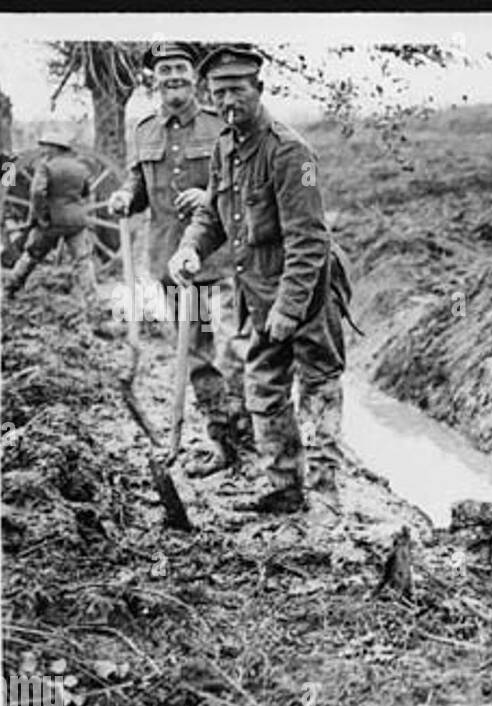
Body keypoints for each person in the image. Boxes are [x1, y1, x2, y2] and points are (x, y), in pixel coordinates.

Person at [170, 44, 348, 514]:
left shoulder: (292, 152)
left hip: (306, 294)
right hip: (258, 293)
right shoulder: (225, 147)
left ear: (259, 89)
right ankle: (282, 487)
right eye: (218, 93)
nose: (228, 102)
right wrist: (191, 247)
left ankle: (326, 496)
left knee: (316, 389)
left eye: (237, 90)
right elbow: (213, 213)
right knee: (264, 387)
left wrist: (290, 310)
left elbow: (309, 239)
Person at [108, 41, 250, 478]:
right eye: (164, 68)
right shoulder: (145, 129)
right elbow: (139, 181)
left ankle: (251, 430)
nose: (172, 75)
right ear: (154, 78)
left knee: (234, 346)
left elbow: (246, 182)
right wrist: (124, 197)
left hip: (223, 260)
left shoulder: (220, 125)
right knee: (196, 352)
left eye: (180, 68)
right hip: (171, 261)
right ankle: (223, 439)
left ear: (194, 78)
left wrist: (211, 196)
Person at [4, 129, 100, 315]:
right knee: (83, 261)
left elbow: (36, 193)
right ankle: (93, 303)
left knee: (31, 255)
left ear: (55, 148)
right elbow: (86, 193)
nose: (45, 150)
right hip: (76, 222)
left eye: (47, 146)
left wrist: (40, 218)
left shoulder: (46, 167)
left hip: (51, 222)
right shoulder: (80, 168)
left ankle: (10, 288)